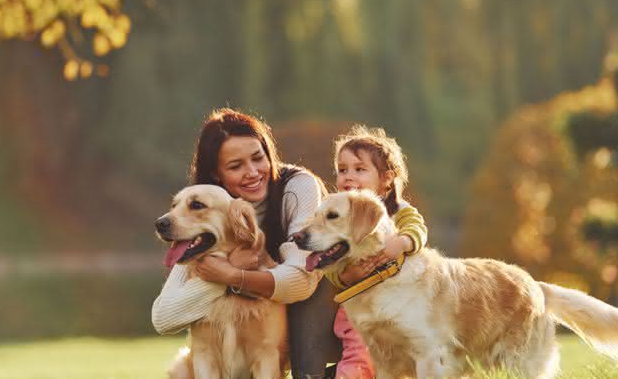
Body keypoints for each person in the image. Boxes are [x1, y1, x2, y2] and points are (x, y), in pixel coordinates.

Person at [152, 108, 342, 379]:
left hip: (315, 298)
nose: (252, 172)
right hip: (257, 307)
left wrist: (233, 275)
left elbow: (302, 280)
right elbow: (164, 317)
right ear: (216, 174)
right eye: (235, 166)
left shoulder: (297, 186)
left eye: (258, 158)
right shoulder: (208, 211)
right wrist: (218, 276)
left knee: (306, 323)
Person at [324, 124, 429, 379]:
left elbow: (418, 229)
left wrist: (403, 242)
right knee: (359, 356)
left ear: (386, 178)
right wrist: (345, 277)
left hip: (398, 306)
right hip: (359, 309)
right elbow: (328, 262)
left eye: (359, 170)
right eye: (342, 170)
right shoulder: (337, 214)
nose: (348, 177)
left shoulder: (399, 210)